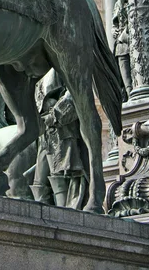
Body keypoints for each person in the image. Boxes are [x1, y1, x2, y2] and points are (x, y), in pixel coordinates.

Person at [31, 69, 88, 209]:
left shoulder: (62, 65)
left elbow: (74, 93)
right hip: (44, 132)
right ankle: (41, 219)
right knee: (39, 181)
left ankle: (65, 215)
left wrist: (54, 115)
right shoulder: (36, 71)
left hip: (63, 130)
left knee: (62, 175)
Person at [112, 0, 132, 99]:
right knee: (126, 83)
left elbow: (136, 20)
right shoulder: (118, 6)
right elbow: (115, 23)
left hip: (131, 44)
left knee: (132, 82)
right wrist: (116, 32)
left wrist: (123, 34)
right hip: (120, 49)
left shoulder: (132, 2)